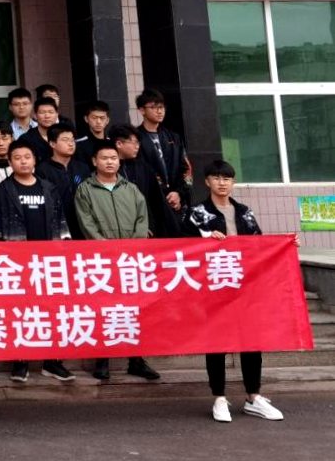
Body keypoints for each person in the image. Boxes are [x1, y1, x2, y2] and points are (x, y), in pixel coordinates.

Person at [183, 159, 292, 423]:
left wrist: (286, 245)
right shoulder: (197, 214)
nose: (222, 183)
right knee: (217, 343)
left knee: (252, 341)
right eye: (217, 178)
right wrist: (206, 239)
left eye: (227, 179)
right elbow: (182, 249)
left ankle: (254, 397)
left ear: (233, 182)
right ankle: (219, 398)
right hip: (213, 288)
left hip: (246, 288)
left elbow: (261, 246)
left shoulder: (245, 213)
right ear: (207, 181)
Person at [74, 140, 159, 383]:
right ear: (94, 161)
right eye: (104, 158)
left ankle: (137, 359)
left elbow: (142, 218)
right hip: (101, 259)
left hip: (130, 259)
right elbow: (86, 222)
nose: (110, 162)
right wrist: (105, 247)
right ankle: (103, 360)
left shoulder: (130, 189)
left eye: (113, 158)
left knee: (134, 309)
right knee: (103, 309)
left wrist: (133, 246)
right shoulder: (85, 190)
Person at [0, 141, 72, 384]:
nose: (23, 161)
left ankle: (52, 361)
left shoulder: (48, 187)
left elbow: (60, 221)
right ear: (10, 162)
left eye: (27, 156)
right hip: (16, 262)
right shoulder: (3, 190)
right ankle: (20, 360)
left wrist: (62, 251)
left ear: (35, 160)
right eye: (17, 157)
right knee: (19, 310)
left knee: (52, 310)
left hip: (48, 260)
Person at [135, 88, 192, 237]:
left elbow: (186, 169)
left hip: (177, 202)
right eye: (154, 107)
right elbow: (140, 170)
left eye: (162, 107)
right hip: (151, 203)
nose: (160, 111)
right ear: (142, 110)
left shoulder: (174, 137)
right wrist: (163, 195)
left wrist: (178, 193)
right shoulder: (135, 138)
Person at [109, 124, 169, 235]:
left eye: (138, 143)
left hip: (148, 229)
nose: (137, 147)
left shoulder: (144, 168)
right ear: (119, 144)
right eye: (134, 142)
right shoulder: (107, 170)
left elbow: (157, 201)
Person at [38, 123, 92, 238]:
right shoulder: (42, 170)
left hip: (83, 225)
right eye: (65, 140)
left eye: (72, 140)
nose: (70, 143)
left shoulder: (82, 167)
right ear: (52, 144)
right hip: (57, 226)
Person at [20, 96, 58, 164]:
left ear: (57, 115)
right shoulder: (26, 139)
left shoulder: (64, 136)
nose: (47, 116)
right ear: (35, 116)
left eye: (51, 112)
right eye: (42, 112)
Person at [74, 99, 112, 168]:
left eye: (102, 118)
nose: (98, 122)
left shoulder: (112, 142)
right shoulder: (79, 144)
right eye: (94, 118)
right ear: (86, 119)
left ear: (107, 120)